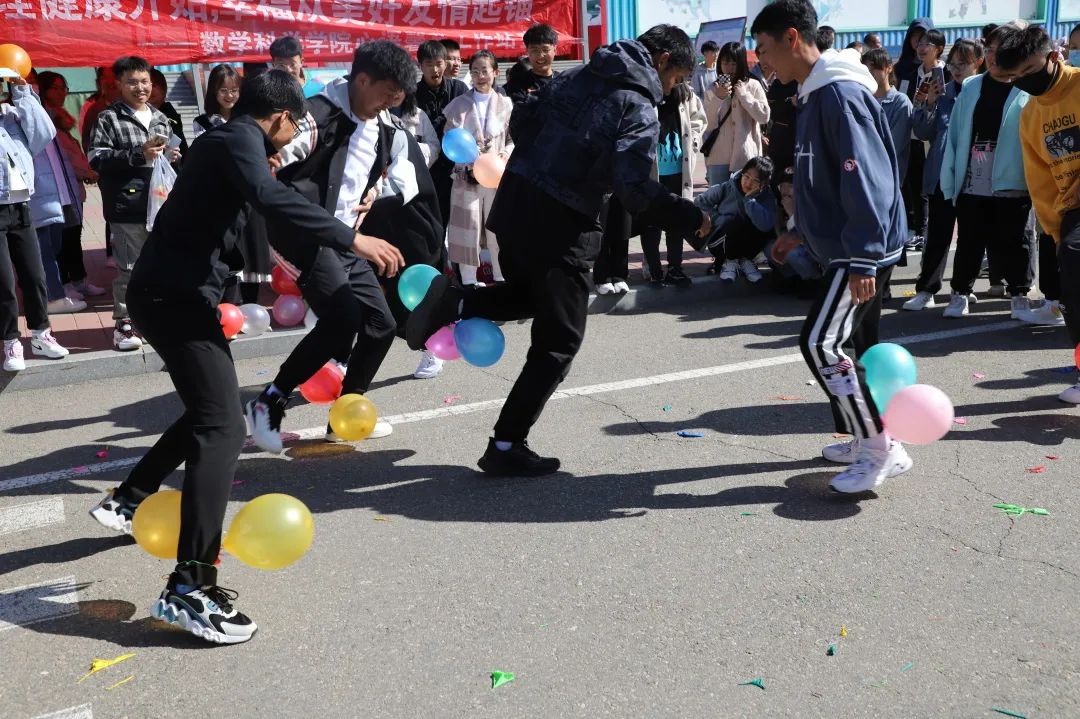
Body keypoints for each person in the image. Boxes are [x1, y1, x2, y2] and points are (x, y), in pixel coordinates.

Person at [87, 70, 403, 645]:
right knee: (223, 426)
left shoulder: (233, 145)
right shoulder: (237, 140)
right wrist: (351, 238)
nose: (296, 135)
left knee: (208, 414)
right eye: (295, 126)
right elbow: (268, 197)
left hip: (179, 297)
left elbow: (255, 208)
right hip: (172, 300)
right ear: (280, 118)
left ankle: (129, 498)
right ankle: (190, 586)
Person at [405, 25, 710, 476]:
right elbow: (634, 188)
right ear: (663, 60)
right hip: (562, 223)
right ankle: (506, 444)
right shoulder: (636, 103)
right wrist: (691, 217)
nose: (671, 89)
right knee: (560, 339)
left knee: (531, 297)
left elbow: (523, 120)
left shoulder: (578, 74)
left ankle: (455, 302)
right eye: (676, 78)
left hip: (514, 205)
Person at [246, 41, 442, 451]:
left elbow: (384, 170)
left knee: (381, 325)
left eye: (397, 98)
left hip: (347, 239)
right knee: (341, 320)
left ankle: (345, 415)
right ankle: (268, 403)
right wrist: (270, 159)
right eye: (386, 94)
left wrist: (374, 191)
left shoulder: (382, 121)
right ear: (362, 80)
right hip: (304, 237)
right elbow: (272, 154)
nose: (389, 104)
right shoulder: (316, 115)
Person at [751, 0, 910, 493]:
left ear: (792, 37)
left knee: (821, 342)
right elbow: (820, 177)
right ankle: (870, 439)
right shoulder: (814, 92)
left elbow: (867, 179)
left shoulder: (839, 93)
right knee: (835, 343)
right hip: (844, 244)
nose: (761, 60)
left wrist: (862, 257)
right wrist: (800, 230)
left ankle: (879, 446)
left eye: (764, 48)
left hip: (858, 248)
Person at [998, 25, 1080, 402]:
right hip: (1072, 212)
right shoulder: (1030, 115)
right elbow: (1041, 181)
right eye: (1016, 76)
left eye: (1030, 70)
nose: (1025, 80)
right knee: (1073, 295)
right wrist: (1056, 232)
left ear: (1053, 57)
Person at [939, 23, 1034, 320]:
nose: (992, 56)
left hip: (1013, 178)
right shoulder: (971, 86)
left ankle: (1019, 294)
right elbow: (955, 136)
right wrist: (950, 175)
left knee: (1015, 239)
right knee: (969, 239)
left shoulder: (1027, 89)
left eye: (999, 50)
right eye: (989, 50)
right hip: (974, 177)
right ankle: (960, 293)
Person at [88, 56, 181, 352]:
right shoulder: (109, 118)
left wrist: (171, 156)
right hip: (127, 206)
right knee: (130, 268)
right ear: (118, 84)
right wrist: (139, 154)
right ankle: (124, 325)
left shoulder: (160, 117)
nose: (140, 88)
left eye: (144, 81)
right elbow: (96, 158)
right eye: (132, 82)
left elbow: (169, 152)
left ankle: (155, 319)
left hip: (160, 203)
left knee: (161, 266)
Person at [903, 39, 984, 312]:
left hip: (973, 175)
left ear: (978, 63)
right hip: (941, 174)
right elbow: (923, 132)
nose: (956, 69)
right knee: (937, 235)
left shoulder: (983, 93)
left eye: (963, 64)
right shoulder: (943, 92)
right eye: (953, 64)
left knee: (970, 237)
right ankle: (927, 290)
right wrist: (929, 104)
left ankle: (962, 291)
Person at [0, 71, 67, 372]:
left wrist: (23, 92)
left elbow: (44, 133)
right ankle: (10, 342)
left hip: (21, 205)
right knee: (3, 281)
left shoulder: (14, 114)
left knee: (35, 275)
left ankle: (41, 335)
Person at [444, 51, 514, 287]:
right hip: (467, 176)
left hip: (496, 176)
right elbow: (450, 139)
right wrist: (469, 163)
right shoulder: (457, 106)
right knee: (468, 227)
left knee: (497, 228)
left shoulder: (506, 104)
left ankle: (501, 275)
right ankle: (469, 279)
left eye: (485, 70)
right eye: (475, 71)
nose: (480, 76)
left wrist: (504, 155)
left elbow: (512, 139)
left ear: (495, 72)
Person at [36, 70, 104, 300]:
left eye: (63, 88)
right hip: (55, 190)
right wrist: (84, 172)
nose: (61, 93)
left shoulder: (60, 117)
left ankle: (79, 280)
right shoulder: (44, 120)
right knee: (61, 240)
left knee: (73, 236)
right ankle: (64, 283)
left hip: (73, 189)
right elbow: (60, 159)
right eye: (54, 88)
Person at [28, 70, 87, 316]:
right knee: (44, 246)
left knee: (58, 241)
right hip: (38, 191)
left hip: (57, 187)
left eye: (30, 81)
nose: (28, 86)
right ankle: (53, 296)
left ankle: (61, 288)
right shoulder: (21, 112)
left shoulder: (44, 112)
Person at [638, 82, 706, 287]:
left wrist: (693, 142)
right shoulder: (646, 91)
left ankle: (675, 268)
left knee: (677, 220)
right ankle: (654, 269)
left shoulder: (686, 93)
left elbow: (699, 119)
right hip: (652, 171)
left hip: (678, 170)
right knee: (650, 223)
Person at [695, 156, 777, 283]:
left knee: (757, 222)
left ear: (763, 184)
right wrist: (717, 218)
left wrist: (749, 201)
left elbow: (765, 226)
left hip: (747, 246)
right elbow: (699, 202)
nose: (748, 183)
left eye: (755, 181)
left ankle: (745, 260)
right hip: (721, 241)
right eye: (746, 176)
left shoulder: (767, 197)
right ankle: (729, 261)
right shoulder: (727, 187)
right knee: (736, 220)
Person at [415, 40, 468, 227]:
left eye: (439, 63)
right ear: (420, 66)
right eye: (429, 64)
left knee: (460, 223)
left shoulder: (460, 90)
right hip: (427, 170)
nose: (435, 69)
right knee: (431, 223)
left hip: (456, 169)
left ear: (446, 63)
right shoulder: (412, 95)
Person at [702, 41, 770, 187]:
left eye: (734, 63)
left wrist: (745, 96)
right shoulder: (712, 88)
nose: (729, 68)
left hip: (745, 156)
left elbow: (764, 117)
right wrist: (718, 98)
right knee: (719, 197)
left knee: (745, 197)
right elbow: (707, 124)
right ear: (719, 64)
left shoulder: (753, 85)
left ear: (741, 64)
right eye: (725, 63)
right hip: (719, 157)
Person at [894, 18, 935, 247]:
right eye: (915, 37)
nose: (919, 43)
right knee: (906, 180)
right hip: (905, 131)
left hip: (925, 132)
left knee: (921, 183)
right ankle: (910, 224)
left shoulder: (936, 70)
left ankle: (922, 227)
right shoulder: (902, 67)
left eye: (924, 38)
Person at [861, 49, 914, 182]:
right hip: (863, 175)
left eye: (874, 68)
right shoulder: (862, 101)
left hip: (888, 178)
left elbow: (893, 147)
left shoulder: (900, 102)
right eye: (866, 70)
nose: (870, 73)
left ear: (889, 68)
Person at [504, 23, 560, 104]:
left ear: (555, 50)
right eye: (535, 50)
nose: (540, 55)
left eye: (545, 50)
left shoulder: (564, 81)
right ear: (527, 51)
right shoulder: (517, 83)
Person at [193, 64, 241, 138]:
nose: (229, 95)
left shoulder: (247, 119)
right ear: (213, 91)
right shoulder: (201, 122)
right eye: (223, 90)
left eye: (234, 90)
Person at [149, 69, 188, 158]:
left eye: (154, 85)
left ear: (164, 89)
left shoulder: (170, 114)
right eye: (148, 85)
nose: (150, 90)